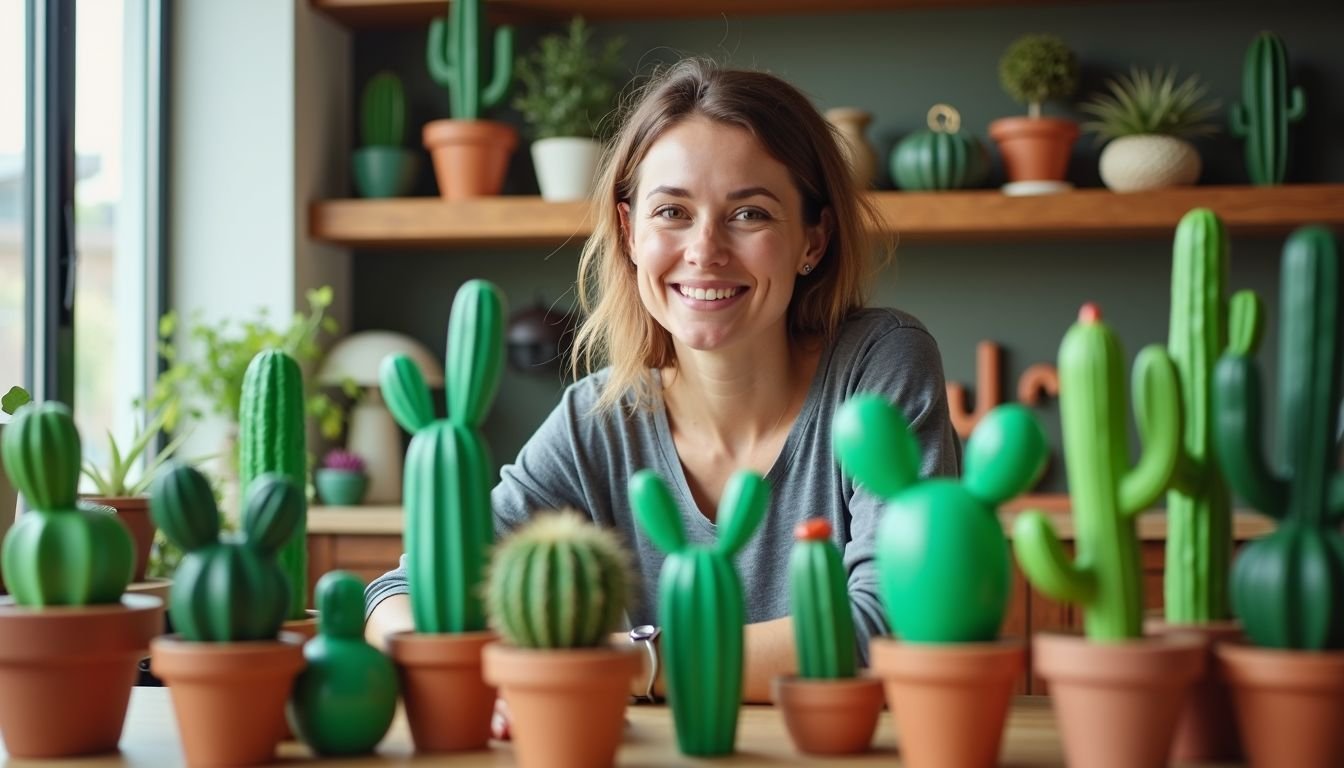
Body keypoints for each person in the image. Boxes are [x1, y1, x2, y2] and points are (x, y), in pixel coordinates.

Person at [363, 58, 960, 705]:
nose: (705, 250)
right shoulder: (598, 418)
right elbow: (401, 595)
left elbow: (894, 624)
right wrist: (501, 671)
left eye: (750, 214)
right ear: (629, 230)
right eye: (672, 211)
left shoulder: (878, 368)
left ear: (812, 240)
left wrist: (628, 661)